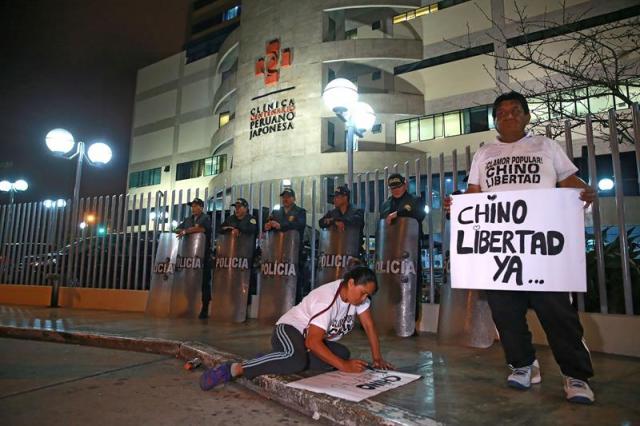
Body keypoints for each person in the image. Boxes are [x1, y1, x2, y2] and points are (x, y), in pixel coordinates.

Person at [445, 91, 596, 404]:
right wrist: (457, 207)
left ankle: (576, 375)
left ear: (527, 116)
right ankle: (523, 364)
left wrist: (585, 194)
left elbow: (570, 182)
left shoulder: (546, 146)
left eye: (515, 110)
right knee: (506, 312)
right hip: (501, 252)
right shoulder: (484, 153)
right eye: (501, 112)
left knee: (558, 313)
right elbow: (475, 194)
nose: (509, 115)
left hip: (541, 251)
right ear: (495, 121)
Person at [199, 264, 394, 390]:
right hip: (289, 330)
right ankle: (233, 369)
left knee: (341, 353)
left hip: (310, 340)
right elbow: (312, 340)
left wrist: (377, 358)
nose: (364, 299)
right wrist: (344, 367)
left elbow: (369, 326)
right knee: (297, 360)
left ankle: (274, 359)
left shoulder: (359, 301)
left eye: (368, 295)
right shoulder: (326, 299)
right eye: (362, 293)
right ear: (351, 283)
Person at [265, 187, 307, 301]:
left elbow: (299, 225)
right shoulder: (276, 212)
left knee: (294, 278)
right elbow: (268, 224)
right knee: (278, 278)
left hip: (294, 251)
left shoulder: (300, 211)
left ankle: (295, 304)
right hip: (278, 251)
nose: (285, 199)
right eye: (284, 197)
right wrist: (268, 226)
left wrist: (281, 226)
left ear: (294, 198)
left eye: (288, 197)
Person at [175, 198, 212, 319]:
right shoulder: (188, 219)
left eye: (196, 206)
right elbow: (176, 229)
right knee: (189, 283)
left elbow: (201, 229)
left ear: (201, 207)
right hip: (189, 256)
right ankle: (190, 307)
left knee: (204, 283)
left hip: (202, 256)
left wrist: (186, 231)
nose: (193, 208)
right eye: (192, 206)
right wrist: (185, 230)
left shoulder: (205, 218)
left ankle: (205, 308)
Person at [319, 185, 365, 255]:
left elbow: (354, 221)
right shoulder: (332, 213)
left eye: (337, 197)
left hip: (353, 254)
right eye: (334, 197)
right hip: (334, 252)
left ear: (345, 197)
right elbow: (321, 222)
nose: (334, 199)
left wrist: (334, 220)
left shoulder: (357, 211)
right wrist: (334, 222)